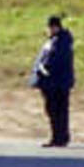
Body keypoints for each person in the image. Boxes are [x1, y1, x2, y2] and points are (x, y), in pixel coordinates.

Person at [31, 15, 75, 147]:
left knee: (57, 110)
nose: (48, 30)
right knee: (54, 110)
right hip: (53, 82)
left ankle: (59, 137)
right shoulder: (55, 41)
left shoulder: (60, 42)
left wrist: (44, 69)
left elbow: (54, 61)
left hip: (56, 83)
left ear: (55, 27)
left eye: (49, 27)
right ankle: (59, 136)